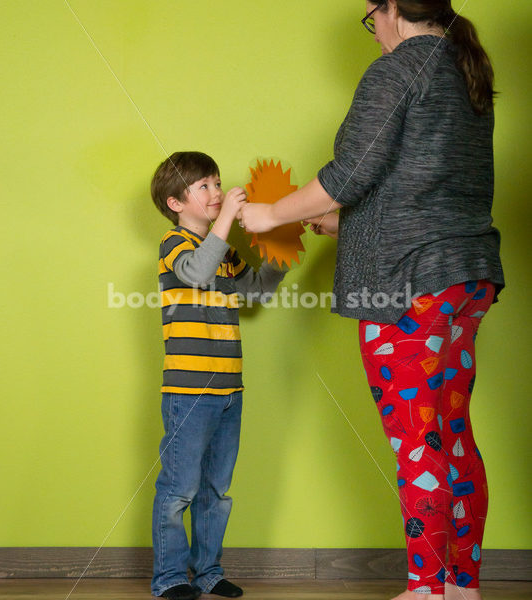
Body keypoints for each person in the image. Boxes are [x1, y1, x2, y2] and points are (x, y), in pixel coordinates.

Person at [240, 2, 504, 599]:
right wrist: (349, 223)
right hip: (464, 275)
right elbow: (427, 181)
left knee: (418, 441)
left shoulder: (397, 69)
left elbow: (349, 173)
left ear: (391, 11)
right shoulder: (464, 69)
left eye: (372, 18)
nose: (375, 32)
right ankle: (461, 586)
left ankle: (426, 588)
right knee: (452, 436)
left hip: (405, 283)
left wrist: (271, 213)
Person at [150, 151, 286, 600]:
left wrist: (282, 247)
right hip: (189, 391)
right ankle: (169, 578)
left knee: (216, 490)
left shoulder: (225, 252)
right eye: (204, 186)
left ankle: (207, 571)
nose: (216, 192)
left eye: (217, 183)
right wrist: (228, 214)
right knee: (179, 489)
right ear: (175, 203)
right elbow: (196, 273)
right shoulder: (176, 246)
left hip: (229, 391)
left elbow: (257, 293)